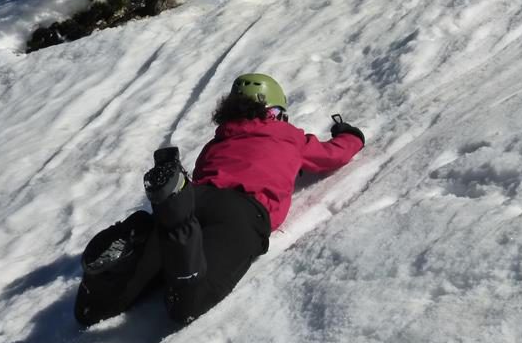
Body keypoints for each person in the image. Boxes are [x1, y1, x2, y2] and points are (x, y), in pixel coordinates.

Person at [75, 73, 365, 327]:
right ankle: (177, 233)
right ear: (275, 112)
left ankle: (109, 278)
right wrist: (351, 135)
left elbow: (204, 171)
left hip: (196, 198)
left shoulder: (218, 141)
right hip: (243, 212)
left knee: (99, 306)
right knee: (188, 302)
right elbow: (332, 155)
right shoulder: (289, 136)